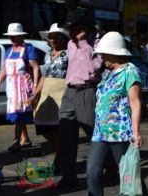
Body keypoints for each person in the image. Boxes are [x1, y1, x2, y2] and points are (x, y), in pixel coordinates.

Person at [87, 31, 142, 196]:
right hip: (100, 132)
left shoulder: (130, 71)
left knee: (128, 175)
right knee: (92, 172)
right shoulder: (107, 74)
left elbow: (135, 102)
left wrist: (136, 132)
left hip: (120, 132)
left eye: (104, 54)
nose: (102, 58)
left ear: (114, 53)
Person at [57, 16, 103, 188]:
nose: (70, 31)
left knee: (94, 133)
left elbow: (95, 68)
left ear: (83, 28)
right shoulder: (70, 44)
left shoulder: (96, 44)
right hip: (70, 92)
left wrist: (84, 44)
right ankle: (69, 176)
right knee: (67, 136)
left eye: (73, 28)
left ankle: (109, 167)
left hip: (87, 91)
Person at [31, 23, 69, 170]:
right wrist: (36, 93)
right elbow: (44, 76)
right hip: (47, 92)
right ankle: (63, 149)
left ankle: (59, 159)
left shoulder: (69, 54)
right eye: (50, 37)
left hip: (62, 91)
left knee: (57, 127)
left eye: (56, 37)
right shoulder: (48, 54)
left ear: (63, 39)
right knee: (42, 126)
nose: (53, 40)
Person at [0, 23, 39, 152]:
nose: (12, 38)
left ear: (21, 36)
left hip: (23, 87)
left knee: (20, 114)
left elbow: (35, 67)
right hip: (11, 88)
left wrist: (36, 86)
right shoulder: (9, 50)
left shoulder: (28, 48)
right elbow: (5, 68)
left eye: (14, 36)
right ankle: (24, 138)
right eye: (10, 36)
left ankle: (16, 142)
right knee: (17, 113)